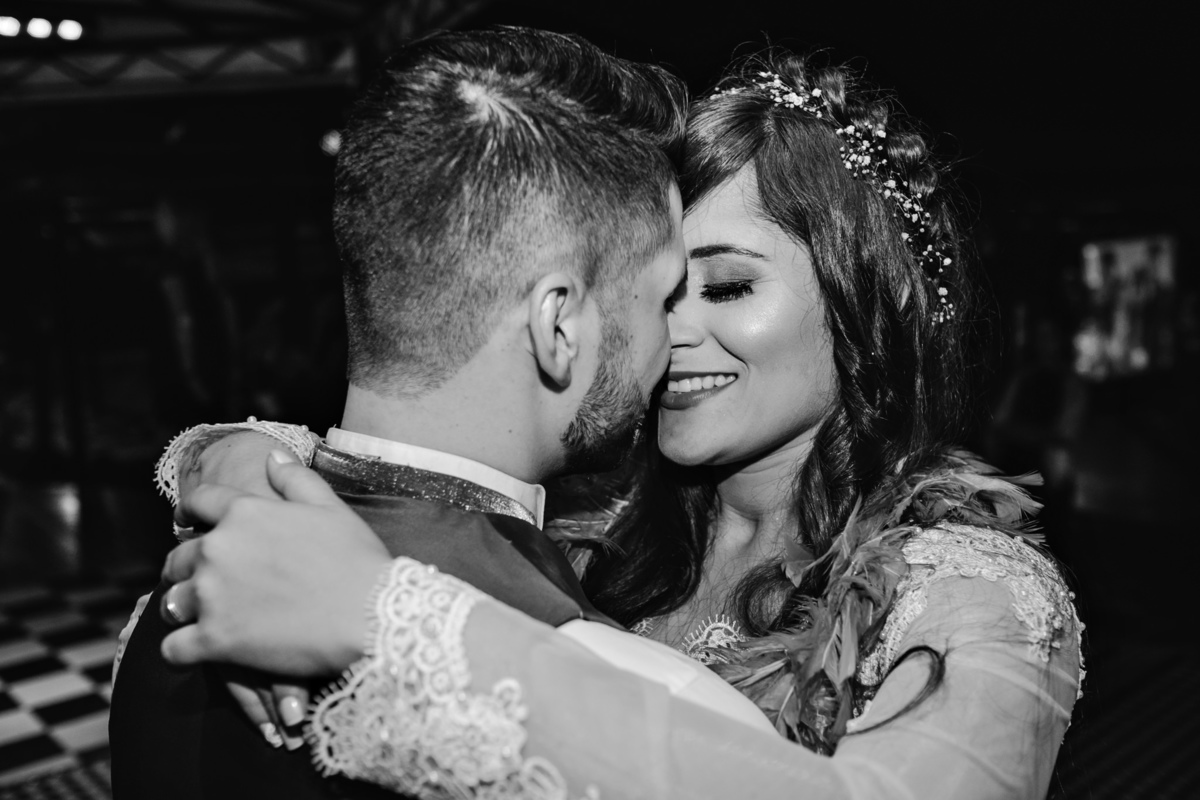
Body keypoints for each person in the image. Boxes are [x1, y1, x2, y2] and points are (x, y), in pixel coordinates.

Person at [152, 50, 1083, 799]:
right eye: (657, 287)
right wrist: (233, 459)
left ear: (863, 306)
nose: (667, 334)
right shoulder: (603, 506)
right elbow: (423, 471)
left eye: (724, 285)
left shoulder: (968, 585)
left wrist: (390, 627)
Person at [109, 26, 776, 800]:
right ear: (559, 326)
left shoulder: (167, 611)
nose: (675, 341)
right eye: (663, 296)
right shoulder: (639, 707)